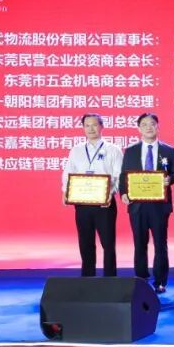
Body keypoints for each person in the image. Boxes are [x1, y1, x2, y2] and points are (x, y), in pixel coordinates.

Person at [120, 112, 174, 294]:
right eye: (144, 124)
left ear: (157, 126)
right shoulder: (130, 151)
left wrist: (170, 180)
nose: (148, 127)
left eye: (152, 124)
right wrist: (123, 193)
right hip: (137, 205)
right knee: (139, 243)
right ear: (139, 128)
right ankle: (141, 279)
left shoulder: (168, 150)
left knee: (160, 244)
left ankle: (160, 281)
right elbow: (124, 175)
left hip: (160, 205)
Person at [61, 112, 123, 277]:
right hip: (82, 203)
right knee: (85, 242)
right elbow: (68, 173)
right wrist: (65, 191)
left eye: (94, 125)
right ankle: (87, 278)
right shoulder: (76, 150)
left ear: (101, 126)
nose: (91, 129)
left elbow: (119, 175)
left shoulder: (113, 150)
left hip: (105, 204)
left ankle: (110, 279)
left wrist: (111, 193)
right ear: (83, 128)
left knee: (108, 243)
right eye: (87, 125)